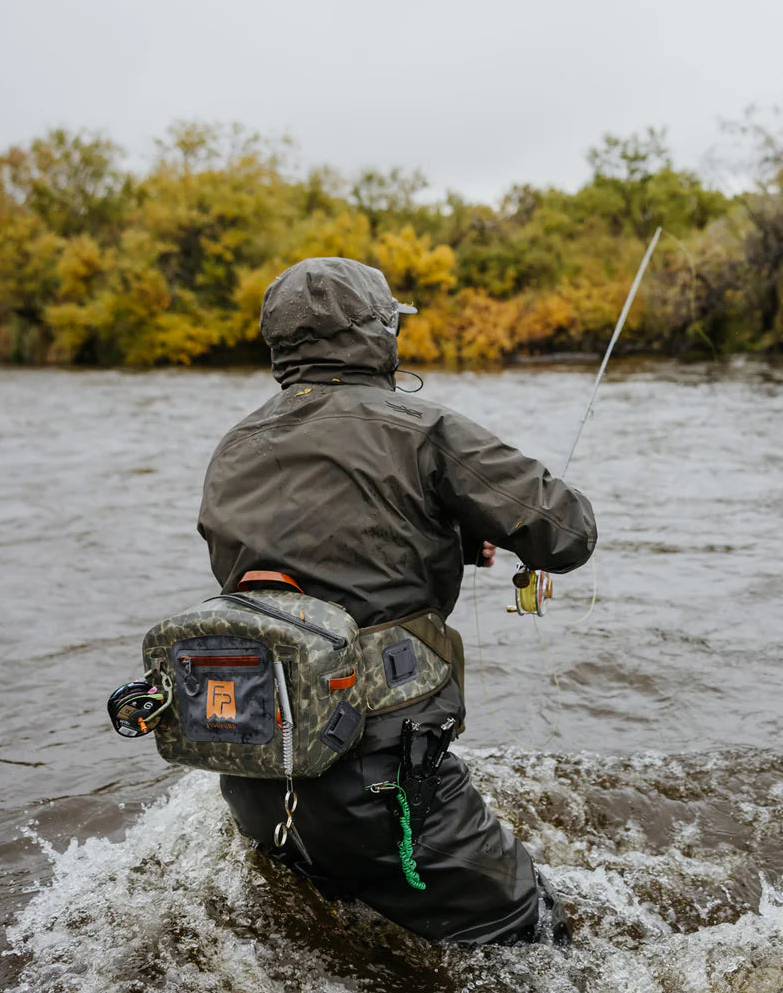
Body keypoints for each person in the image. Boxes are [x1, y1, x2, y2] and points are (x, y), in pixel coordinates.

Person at [196, 257, 597, 946]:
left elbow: (296, 575)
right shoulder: (424, 428)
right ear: (381, 332)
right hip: (382, 780)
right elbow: (566, 533)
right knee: (536, 944)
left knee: (335, 945)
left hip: (256, 774)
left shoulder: (234, 448)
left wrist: (443, 534)